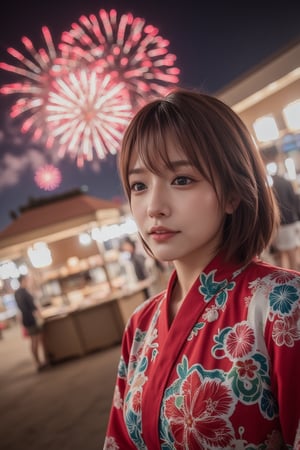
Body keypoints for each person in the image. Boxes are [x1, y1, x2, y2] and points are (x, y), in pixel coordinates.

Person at [104, 88, 300, 449]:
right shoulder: (140, 324)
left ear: (231, 193)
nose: (154, 206)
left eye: (181, 180)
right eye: (139, 185)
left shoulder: (283, 305)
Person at [15, 275, 49, 372]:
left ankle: (40, 362)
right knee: (36, 340)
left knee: (35, 340)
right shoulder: (25, 292)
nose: (29, 282)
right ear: (23, 280)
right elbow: (32, 307)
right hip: (32, 319)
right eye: (27, 280)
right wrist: (40, 316)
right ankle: (40, 362)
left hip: (26, 319)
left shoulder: (17, 293)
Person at [271, 170, 299, 270]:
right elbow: (294, 200)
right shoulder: (287, 182)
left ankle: (284, 277)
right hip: (290, 220)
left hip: (279, 222)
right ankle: (295, 277)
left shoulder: (271, 186)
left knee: (281, 253)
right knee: (291, 252)